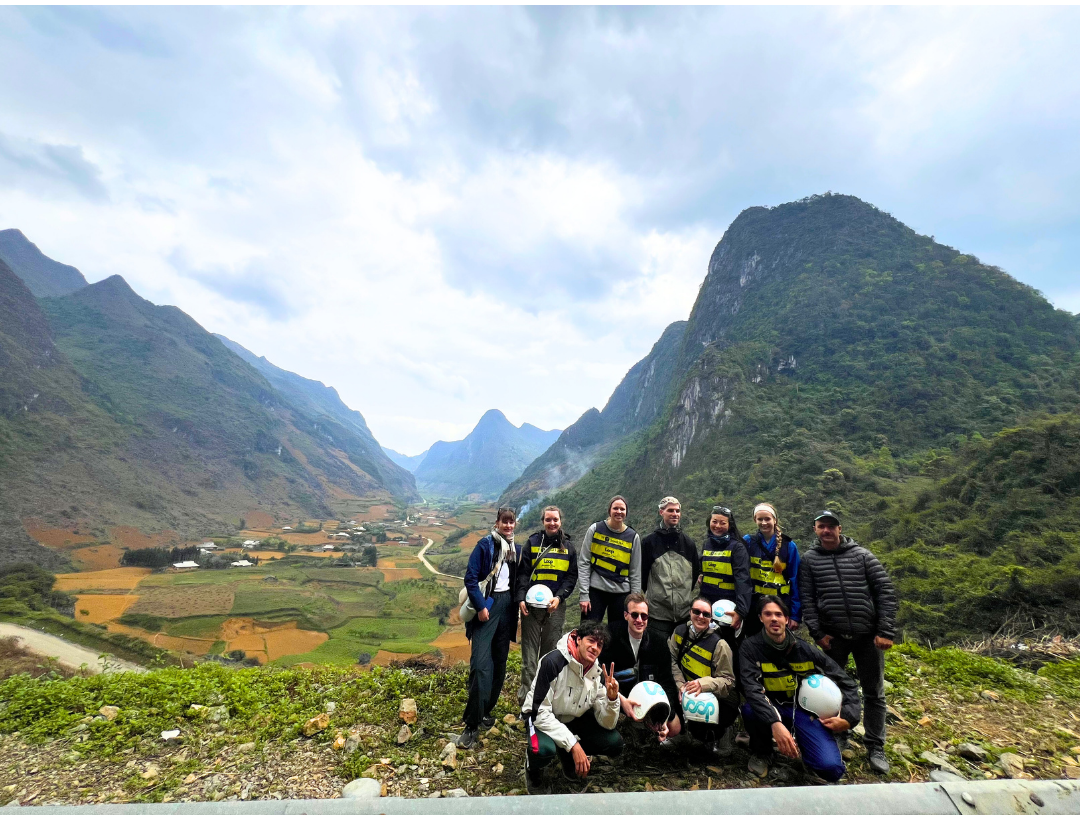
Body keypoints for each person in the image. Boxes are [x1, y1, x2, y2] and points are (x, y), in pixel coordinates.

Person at [799, 510, 898, 775]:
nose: (826, 531)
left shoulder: (862, 556)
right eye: (821, 526)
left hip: (867, 636)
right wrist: (817, 633)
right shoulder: (809, 560)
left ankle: (875, 745)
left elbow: (885, 592)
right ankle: (839, 733)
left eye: (831, 526)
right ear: (815, 529)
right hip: (834, 637)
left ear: (840, 529)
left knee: (874, 692)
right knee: (832, 689)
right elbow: (807, 598)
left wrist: (885, 631)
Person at [739, 596, 861, 782]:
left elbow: (846, 682)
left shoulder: (805, 649)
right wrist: (774, 722)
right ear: (760, 618)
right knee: (750, 710)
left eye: (779, 614)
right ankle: (763, 752)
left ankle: (809, 752)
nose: (774, 619)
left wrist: (848, 718)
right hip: (770, 708)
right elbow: (752, 690)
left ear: (786, 619)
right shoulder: (750, 648)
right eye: (768, 614)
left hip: (804, 712)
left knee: (831, 770)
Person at [521, 622, 623, 794]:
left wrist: (612, 700)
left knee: (614, 743)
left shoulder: (596, 671)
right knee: (542, 750)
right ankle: (533, 771)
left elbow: (608, 723)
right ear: (578, 639)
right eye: (591, 641)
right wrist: (574, 745)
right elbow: (540, 712)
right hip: (539, 717)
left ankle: (566, 755)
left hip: (572, 719)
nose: (595, 648)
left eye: (599, 645)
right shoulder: (553, 662)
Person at [458, 507, 520, 750]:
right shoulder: (485, 545)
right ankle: (471, 725)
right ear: (497, 523)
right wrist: (481, 606)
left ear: (515, 524)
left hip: (507, 607)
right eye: (504, 522)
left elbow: (519, 580)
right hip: (488, 605)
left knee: (499, 663)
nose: (508, 526)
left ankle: (485, 710)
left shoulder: (515, 548)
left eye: (511, 522)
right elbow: (470, 578)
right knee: (480, 664)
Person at [515, 505, 579, 709]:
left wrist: (559, 597)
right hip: (531, 608)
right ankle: (526, 702)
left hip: (555, 608)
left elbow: (571, 577)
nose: (552, 523)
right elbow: (523, 573)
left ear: (561, 521)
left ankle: (544, 701)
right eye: (548, 519)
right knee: (529, 656)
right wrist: (521, 598)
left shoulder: (568, 547)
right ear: (543, 521)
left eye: (555, 519)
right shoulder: (533, 543)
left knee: (549, 654)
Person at [665, 595, 740, 753]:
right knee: (666, 687)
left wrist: (703, 685)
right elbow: (671, 660)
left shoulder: (720, 644)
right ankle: (680, 733)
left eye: (706, 614)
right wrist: (680, 686)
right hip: (686, 686)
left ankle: (720, 734)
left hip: (715, 695)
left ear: (711, 618)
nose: (700, 616)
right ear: (690, 612)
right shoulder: (679, 631)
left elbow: (728, 681)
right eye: (696, 612)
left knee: (702, 732)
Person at [598, 593, 677, 738]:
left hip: (648, 698)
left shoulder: (659, 642)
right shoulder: (610, 635)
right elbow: (599, 676)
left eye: (644, 616)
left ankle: (654, 730)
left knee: (675, 725)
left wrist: (665, 716)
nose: (639, 620)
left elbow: (667, 682)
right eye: (635, 615)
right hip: (618, 696)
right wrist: (621, 700)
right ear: (625, 615)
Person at [641, 496, 701, 645]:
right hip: (657, 616)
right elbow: (642, 575)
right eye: (670, 510)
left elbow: (694, 575)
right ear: (661, 512)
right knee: (658, 653)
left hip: (683, 615)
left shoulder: (688, 543)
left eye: (677, 511)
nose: (675, 514)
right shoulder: (649, 542)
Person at [577, 495, 642, 626]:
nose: (619, 512)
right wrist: (584, 595)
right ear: (609, 510)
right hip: (595, 591)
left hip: (621, 594)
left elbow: (635, 572)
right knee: (588, 631)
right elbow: (584, 562)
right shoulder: (595, 529)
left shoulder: (633, 537)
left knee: (618, 633)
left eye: (622, 509)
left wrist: (634, 602)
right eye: (615, 508)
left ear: (626, 512)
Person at [744, 502, 801, 635]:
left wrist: (795, 615)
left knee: (779, 642)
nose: (764, 523)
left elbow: (796, 580)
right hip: (754, 607)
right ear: (755, 520)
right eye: (760, 519)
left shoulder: (788, 546)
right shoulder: (748, 542)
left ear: (775, 520)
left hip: (781, 606)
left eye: (767, 519)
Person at [698, 505, 753, 631]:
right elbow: (702, 565)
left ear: (730, 525)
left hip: (727, 607)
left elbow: (743, 580)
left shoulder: (737, 547)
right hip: (706, 603)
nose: (717, 526)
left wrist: (741, 611)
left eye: (723, 523)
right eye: (714, 522)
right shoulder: (707, 544)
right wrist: (700, 574)